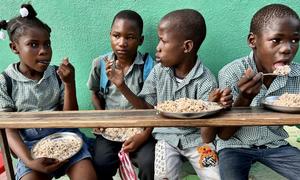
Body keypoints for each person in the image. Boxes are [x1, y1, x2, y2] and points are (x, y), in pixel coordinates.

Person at [106, 9, 232, 180]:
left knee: (216, 176)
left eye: (163, 41)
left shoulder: (206, 81)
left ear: (187, 46)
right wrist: (122, 86)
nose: (157, 47)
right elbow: (147, 109)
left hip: (198, 142)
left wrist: (210, 107)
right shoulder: (159, 72)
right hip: (166, 139)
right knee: (162, 176)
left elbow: (207, 136)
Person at [0, 4, 97, 180]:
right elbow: (10, 131)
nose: (43, 51)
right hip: (30, 149)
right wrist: (29, 161)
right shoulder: (5, 82)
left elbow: (71, 119)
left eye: (47, 44)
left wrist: (69, 84)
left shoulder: (56, 75)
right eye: (33, 45)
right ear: (15, 48)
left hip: (67, 140)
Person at [217, 4, 300, 180]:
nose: (287, 48)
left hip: (275, 145)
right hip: (234, 147)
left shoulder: (297, 75)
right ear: (253, 41)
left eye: (294, 40)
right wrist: (245, 98)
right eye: (276, 40)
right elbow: (224, 135)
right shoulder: (232, 73)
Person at [87, 10, 156, 180]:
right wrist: (100, 115)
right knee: (101, 163)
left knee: (149, 162)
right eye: (116, 36)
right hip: (110, 128)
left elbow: (152, 109)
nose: (122, 43)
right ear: (110, 36)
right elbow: (94, 93)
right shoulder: (101, 64)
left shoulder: (149, 67)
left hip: (141, 128)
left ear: (140, 41)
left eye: (130, 37)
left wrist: (144, 135)